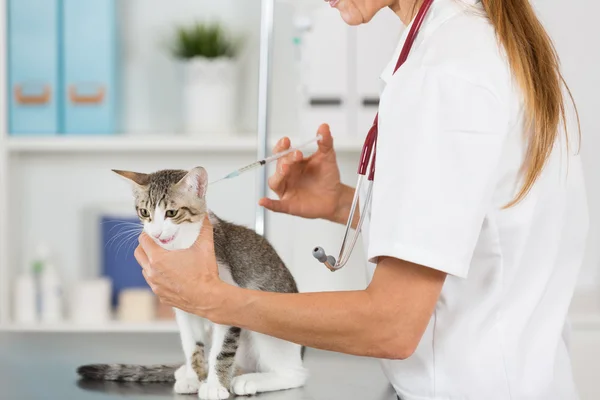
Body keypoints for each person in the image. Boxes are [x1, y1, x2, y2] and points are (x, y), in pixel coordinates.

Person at [134, 0, 588, 398]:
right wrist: (340, 202)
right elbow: (487, 226)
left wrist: (214, 299)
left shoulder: (443, 76)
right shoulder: (490, 46)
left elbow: (392, 325)